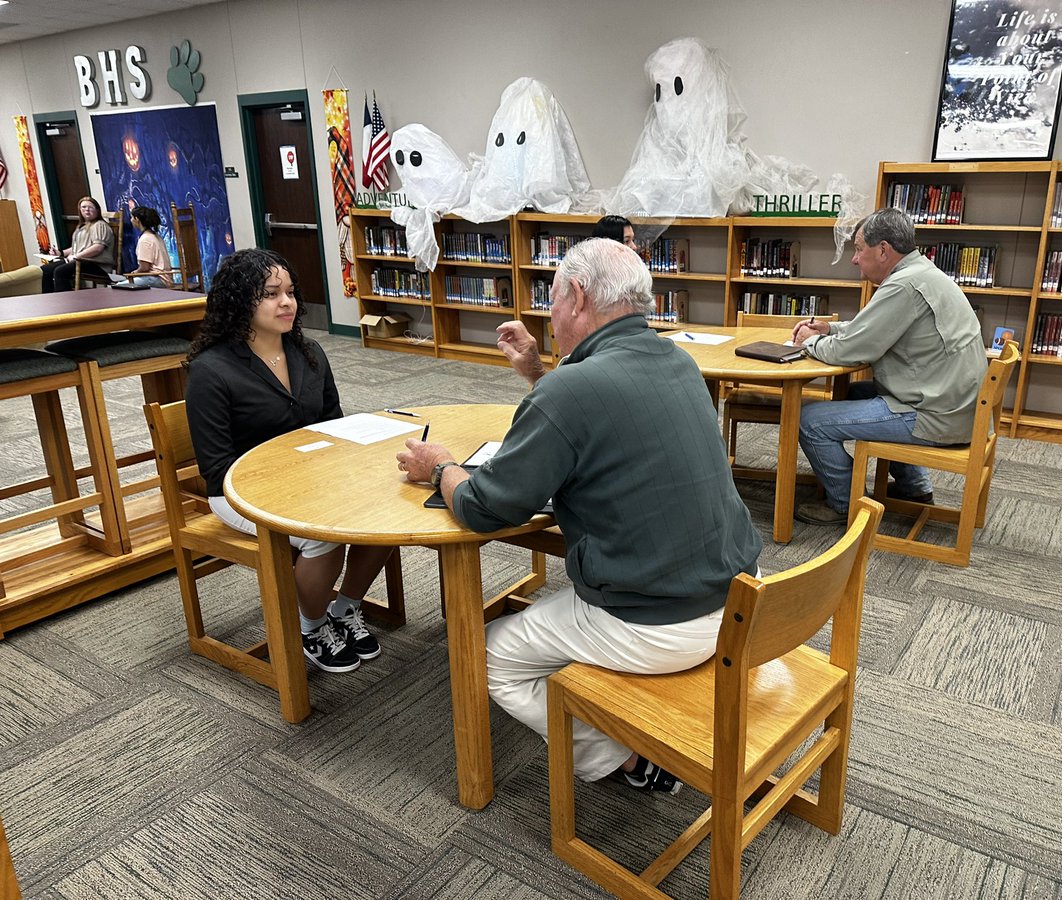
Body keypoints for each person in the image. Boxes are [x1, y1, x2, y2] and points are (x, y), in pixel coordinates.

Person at [397, 238, 762, 794]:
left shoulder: (571, 390)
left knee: (488, 653)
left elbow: (483, 509)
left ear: (577, 295)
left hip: (657, 621)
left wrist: (439, 464)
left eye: (551, 297)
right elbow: (602, 421)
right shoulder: (678, 360)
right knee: (547, 615)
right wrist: (536, 372)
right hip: (739, 597)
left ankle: (625, 760)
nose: (549, 312)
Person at [185, 248, 394, 673]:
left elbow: (332, 423)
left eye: (291, 293)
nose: (287, 303)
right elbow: (216, 464)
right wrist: (293, 485)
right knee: (323, 535)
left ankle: (344, 608)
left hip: (313, 477)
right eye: (270, 294)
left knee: (388, 508)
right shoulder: (211, 370)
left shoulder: (308, 351)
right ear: (239, 301)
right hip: (239, 491)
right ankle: (312, 626)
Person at [789, 207, 987, 525]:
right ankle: (914, 488)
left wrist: (808, 343)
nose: (854, 259)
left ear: (883, 250)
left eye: (858, 248)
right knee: (857, 393)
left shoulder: (902, 286)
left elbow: (852, 351)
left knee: (808, 419)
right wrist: (830, 329)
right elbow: (872, 330)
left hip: (933, 414)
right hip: (951, 403)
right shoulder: (920, 273)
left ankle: (846, 504)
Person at [40, 196, 114, 292]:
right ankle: (50, 299)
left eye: (90, 207)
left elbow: (97, 247)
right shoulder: (82, 226)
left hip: (97, 264)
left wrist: (76, 256)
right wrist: (61, 253)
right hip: (81, 260)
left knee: (60, 271)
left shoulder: (100, 225)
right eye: (83, 207)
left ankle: (66, 301)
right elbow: (78, 246)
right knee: (44, 271)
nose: (87, 210)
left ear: (97, 210)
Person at [125, 206, 172, 287]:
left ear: (137, 219)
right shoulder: (155, 236)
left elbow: (145, 267)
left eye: (132, 218)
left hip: (157, 279)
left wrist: (134, 273)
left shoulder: (145, 239)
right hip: (163, 277)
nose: (131, 220)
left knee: (119, 286)